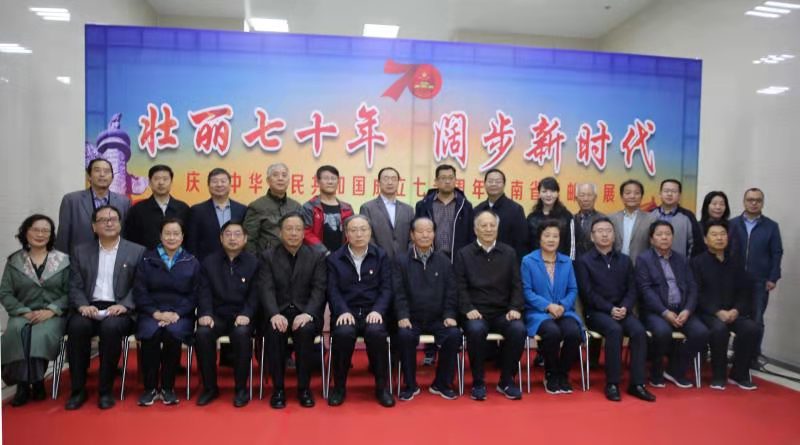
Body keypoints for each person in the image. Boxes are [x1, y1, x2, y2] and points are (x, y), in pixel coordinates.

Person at [65, 205, 145, 410]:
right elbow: (74, 285)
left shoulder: (136, 251)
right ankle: (78, 390)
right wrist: (83, 305)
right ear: (94, 226)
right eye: (103, 220)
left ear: (120, 224)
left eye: (113, 219)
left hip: (120, 309)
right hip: (89, 306)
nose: (109, 223)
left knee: (111, 328)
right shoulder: (80, 251)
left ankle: (105, 390)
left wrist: (125, 305)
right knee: (77, 327)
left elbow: (140, 285)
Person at [575, 217, 655, 402]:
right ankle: (612, 383)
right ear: (592, 237)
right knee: (614, 330)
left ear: (614, 235)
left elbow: (632, 288)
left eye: (608, 231)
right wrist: (610, 308)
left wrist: (625, 306)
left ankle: (637, 384)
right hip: (597, 313)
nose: (604, 234)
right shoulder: (584, 261)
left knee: (638, 331)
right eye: (600, 231)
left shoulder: (625, 260)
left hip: (622, 310)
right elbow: (587, 293)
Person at [455, 210, 525, 401]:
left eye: (492, 225)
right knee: (476, 330)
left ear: (497, 228)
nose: (488, 229)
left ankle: (506, 381)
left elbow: (517, 285)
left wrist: (515, 308)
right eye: (483, 225)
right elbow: (459, 287)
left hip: (503, 312)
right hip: (476, 312)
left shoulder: (509, 253)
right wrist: (468, 308)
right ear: (475, 229)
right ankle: (478, 382)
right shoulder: (464, 254)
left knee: (518, 330)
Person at [1, 215, 69, 407]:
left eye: (45, 230)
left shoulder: (63, 260)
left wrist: (52, 310)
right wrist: (22, 311)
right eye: (35, 230)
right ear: (26, 232)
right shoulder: (14, 261)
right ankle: (23, 385)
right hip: (23, 313)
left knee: (40, 334)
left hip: (53, 314)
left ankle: (37, 381)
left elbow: (70, 292)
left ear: (51, 234)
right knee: (17, 331)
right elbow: (5, 292)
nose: (40, 234)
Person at [260, 212, 327, 408]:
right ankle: (278, 389)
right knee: (274, 331)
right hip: (278, 311)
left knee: (305, 331)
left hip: (306, 312)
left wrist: (308, 314)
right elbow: (266, 288)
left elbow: (319, 289)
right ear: (280, 232)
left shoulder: (316, 256)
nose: (294, 233)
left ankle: (304, 389)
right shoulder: (268, 256)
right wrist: (274, 314)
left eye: (298, 229)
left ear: (304, 233)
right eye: (289, 229)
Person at [327, 215, 394, 407]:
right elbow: (332, 290)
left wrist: (378, 311)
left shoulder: (381, 256)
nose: (359, 234)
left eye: (363, 229)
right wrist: (342, 311)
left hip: (372, 311)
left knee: (376, 333)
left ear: (370, 232)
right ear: (346, 234)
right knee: (343, 334)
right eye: (354, 230)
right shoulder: (334, 259)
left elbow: (386, 288)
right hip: (346, 312)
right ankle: (339, 387)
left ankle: (381, 387)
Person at [393, 217, 461, 401]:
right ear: (412, 235)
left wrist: (449, 314)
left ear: (434, 234)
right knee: (404, 335)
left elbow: (451, 291)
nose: (425, 235)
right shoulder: (401, 261)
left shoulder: (444, 261)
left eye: (429, 231)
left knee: (453, 334)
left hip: (438, 318)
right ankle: (410, 384)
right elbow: (398, 292)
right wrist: (402, 315)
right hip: (411, 318)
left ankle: (442, 383)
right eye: (420, 231)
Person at [133, 217, 199, 406]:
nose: (171, 237)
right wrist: (156, 313)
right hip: (151, 312)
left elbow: (195, 293)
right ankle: (150, 388)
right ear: (160, 236)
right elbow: (140, 291)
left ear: (182, 236)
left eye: (176, 233)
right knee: (150, 334)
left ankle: (168, 388)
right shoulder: (147, 259)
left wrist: (177, 313)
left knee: (173, 333)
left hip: (180, 314)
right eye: (167, 233)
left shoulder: (191, 261)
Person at [636, 220, 709, 389]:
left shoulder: (681, 259)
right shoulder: (644, 259)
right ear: (652, 239)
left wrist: (688, 310)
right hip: (656, 311)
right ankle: (656, 373)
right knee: (662, 332)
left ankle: (675, 370)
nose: (664, 238)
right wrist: (665, 312)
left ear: (673, 237)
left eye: (668, 234)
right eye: (659, 234)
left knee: (701, 332)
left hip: (682, 309)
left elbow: (692, 287)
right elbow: (645, 290)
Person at [195, 221, 260, 407]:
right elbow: (204, 291)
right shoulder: (209, 262)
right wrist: (206, 313)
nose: (233, 238)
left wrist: (247, 313)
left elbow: (256, 294)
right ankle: (210, 388)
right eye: (228, 234)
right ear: (221, 238)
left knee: (241, 334)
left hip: (242, 316)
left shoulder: (254, 263)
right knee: (203, 333)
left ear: (245, 239)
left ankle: (241, 389)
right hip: (217, 315)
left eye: (237, 234)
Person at [691, 220, 760, 390]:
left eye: (722, 234)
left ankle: (739, 374)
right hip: (708, 313)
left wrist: (736, 310)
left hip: (733, 312)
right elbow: (696, 293)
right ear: (705, 239)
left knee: (751, 328)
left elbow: (744, 291)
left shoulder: (735, 263)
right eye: (714, 235)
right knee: (719, 329)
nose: (719, 238)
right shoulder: (697, 263)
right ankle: (719, 376)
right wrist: (717, 311)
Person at [521, 219, 583, 395]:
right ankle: (550, 373)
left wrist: (562, 306)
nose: (551, 239)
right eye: (547, 235)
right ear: (539, 238)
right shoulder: (528, 261)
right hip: (538, 313)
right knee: (552, 332)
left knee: (574, 333)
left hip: (564, 311)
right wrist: (548, 306)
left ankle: (562, 373)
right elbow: (526, 291)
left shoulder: (566, 261)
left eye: (555, 236)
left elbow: (573, 289)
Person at [728, 188, 782, 369]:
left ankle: (752, 356)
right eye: (750, 199)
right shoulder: (732, 224)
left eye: (758, 200)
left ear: (762, 203)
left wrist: (773, 277)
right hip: (735, 280)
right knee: (735, 317)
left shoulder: (771, 226)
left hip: (760, 280)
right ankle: (736, 353)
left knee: (757, 319)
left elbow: (776, 253)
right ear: (744, 202)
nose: (753, 203)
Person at [55, 158, 131, 255]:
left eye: (106, 171)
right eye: (97, 170)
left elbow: (126, 235)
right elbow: (63, 236)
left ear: (112, 177)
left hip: (114, 259)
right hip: (80, 259)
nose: (102, 174)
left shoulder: (124, 202)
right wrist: (62, 262)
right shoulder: (71, 201)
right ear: (89, 176)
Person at [415, 164, 475, 262]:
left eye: (451, 178)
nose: (447, 181)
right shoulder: (423, 205)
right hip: (430, 260)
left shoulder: (466, 206)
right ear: (436, 181)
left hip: (458, 259)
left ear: (455, 180)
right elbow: (416, 233)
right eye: (443, 178)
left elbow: (471, 236)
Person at [185, 168, 246, 261]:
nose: (219, 184)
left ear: (230, 185)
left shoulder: (242, 209)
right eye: (214, 181)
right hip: (206, 263)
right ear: (208, 186)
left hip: (237, 262)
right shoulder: (197, 211)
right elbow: (192, 243)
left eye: (223, 181)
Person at [124, 164, 190, 250]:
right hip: (146, 258)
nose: (161, 182)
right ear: (150, 183)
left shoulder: (183, 208)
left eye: (165, 179)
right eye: (156, 179)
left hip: (178, 258)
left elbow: (189, 239)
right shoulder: (137, 210)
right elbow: (130, 240)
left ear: (171, 182)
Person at [243, 162, 301, 254]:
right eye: (275, 175)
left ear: (289, 180)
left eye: (284, 175)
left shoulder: (296, 206)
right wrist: (254, 261)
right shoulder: (256, 206)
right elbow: (249, 240)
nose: (280, 178)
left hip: (292, 257)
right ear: (268, 180)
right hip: (266, 259)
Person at [359, 166, 414, 261]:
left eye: (394, 179)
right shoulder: (367, 208)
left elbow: (413, 236)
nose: (390, 182)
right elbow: (367, 236)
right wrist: (379, 255)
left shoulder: (408, 209)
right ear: (378, 182)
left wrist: (407, 256)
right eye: (386, 179)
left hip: (404, 262)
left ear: (398, 183)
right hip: (377, 261)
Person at [474, 168, 528, 261]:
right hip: (480, 261)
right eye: (490, 181)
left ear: (504, 184)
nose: (494, 184)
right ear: (485, 184)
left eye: (498, 181)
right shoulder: (478, 209)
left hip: (506, 262)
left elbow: (521, 241)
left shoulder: (516, 209)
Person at [302, 165, 354, 255]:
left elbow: (352, 231)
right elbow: (305, 232)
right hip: (317, 256)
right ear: (318, 181)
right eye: (326, 178)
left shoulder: (347, 208)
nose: (330, 182)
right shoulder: (309, 207)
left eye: (333, 178)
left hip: (342, 257)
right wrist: (324, 252)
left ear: (338, 182)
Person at [609, 179, 656, 265]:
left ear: (641, 197)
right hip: (615, 265)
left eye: (637, 193)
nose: (632, 196)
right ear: (622, 197)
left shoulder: (651, 219)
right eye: (628, 193)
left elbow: (654, 246)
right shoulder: (611, 218)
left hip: (641, 266)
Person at [526, 177, 575, 258]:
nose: (548, 195)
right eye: (544, 191)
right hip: (536, 262)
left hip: (560, 262)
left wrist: (569, 262)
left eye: (552, 191)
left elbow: (571, 244)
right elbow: (527, 244)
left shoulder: (567, 216)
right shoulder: (532, 218)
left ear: (557, 194)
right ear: (539, 194)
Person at [651, 179, 695, 258]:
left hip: (679, 263)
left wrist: (687, 262)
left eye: (674, 191)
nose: (669, 194)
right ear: (660, 194)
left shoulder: (688, 216)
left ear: (679, 195)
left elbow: (695, 244)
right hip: (652, 263)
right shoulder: (650, 214)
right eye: (666, 191)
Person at [574, 183, 605, 258]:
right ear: (576, 198)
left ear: (595, 197)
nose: (586, 199)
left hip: (596, 261)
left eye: (589, 195)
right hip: (574, 262)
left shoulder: (603, 219)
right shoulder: (571, 219)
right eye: (582, 195)